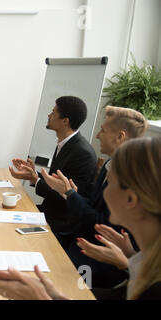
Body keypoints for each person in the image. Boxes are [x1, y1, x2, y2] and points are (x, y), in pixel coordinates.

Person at [0, 136, 161, 300]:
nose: (102, 193)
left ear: (130, 199)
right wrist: (55, 295)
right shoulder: (147, 259)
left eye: (110, 183)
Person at [40, 106, 147, 291]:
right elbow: (91, 206)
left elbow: (101, 225)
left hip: (98, 262)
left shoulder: (131, 178)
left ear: (120, 136)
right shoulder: (109, 163)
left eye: (103, 130)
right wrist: (70, 193)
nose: (97, 136)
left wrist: (70, 195)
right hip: (80, 244)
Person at [9, 96, 96, 242]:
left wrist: (36, 180)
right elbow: (55, 184)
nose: (49, 116)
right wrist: (32, 175)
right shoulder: (65, 143)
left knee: (8, 226)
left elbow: (66, 198)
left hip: (61, 223)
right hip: (50, 213)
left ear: (65, 121)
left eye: (53, 112)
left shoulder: (83, 153)